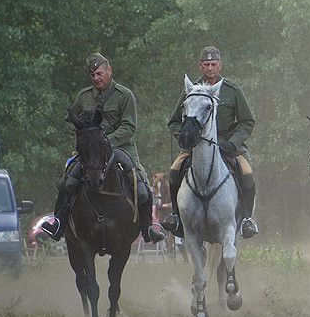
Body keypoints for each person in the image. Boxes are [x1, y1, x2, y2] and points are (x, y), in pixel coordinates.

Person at [41, 53, 167, 243]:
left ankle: (147, 228)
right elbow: (70, 121)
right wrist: (83, 138)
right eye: (92, 75)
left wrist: (107, 141)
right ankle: (59, 224)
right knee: (67, 182)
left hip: (121, 148)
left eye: (99, 73)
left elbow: (129, 128)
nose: (96, 78)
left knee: (142, 188)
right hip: (91, 153)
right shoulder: (83, 97)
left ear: (109, 71)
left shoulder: (124, 95)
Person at [162, 46, 258, 239]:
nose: (210, 68)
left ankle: (247, 219)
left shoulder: (232, 90)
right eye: (206, 64)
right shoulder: (192, 90)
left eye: (214, 64)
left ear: (220, 65)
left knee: (247, 173)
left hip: (228, 145)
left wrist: (233, 142)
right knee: (173, 171)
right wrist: (184, 137)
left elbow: (247, 121)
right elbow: (173, 121)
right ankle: (176, 216)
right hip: (197, 145)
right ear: (200, 66)